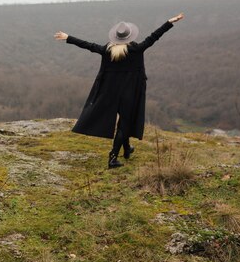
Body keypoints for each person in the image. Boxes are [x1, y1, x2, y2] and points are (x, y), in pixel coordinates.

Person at [54, 13, 185, 169]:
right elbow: (154, 36)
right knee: (125, 123)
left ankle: (127, 149)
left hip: (109, 92)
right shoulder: (137, 49)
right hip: (129, 92)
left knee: (124, 122)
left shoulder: (107, 50)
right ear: (129, 37)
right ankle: (113, 158)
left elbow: (88, 45)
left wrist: (68, 37)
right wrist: (169, 22)